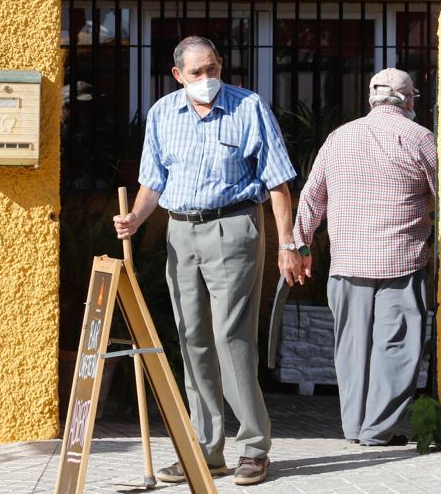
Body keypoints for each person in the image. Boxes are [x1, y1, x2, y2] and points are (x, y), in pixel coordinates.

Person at [113, 36, 301, 486]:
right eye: (196, 72)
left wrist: (287, 243)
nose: (206, 78)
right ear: (178, 75)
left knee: (230, 336)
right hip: (181, 231)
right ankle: (205, 450)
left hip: (233, 226)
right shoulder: (162, 113)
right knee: (192, 337)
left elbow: (277, 182)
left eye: (212, 68)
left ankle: (253, 447)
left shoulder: (248, 107)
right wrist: (136, 218)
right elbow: (153, 180)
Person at [291, 68, 437, 447]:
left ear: (371, 98)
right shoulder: (420, 138)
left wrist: (301, 247)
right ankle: (377, 430)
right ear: (409, 99)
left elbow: (311, 197)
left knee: (351, 348)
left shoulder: (338, 138)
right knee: (397, 347)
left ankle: (354, 427)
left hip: (347, 262)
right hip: (401, 260)